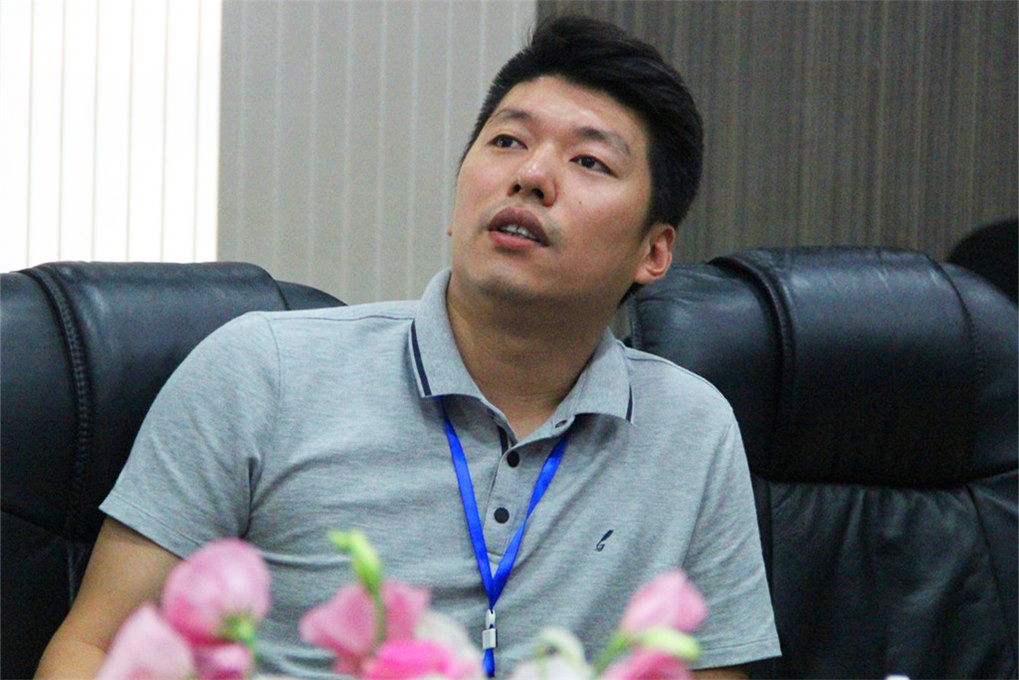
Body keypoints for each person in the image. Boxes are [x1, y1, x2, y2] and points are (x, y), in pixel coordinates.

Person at [37, 15, 780, 678]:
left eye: (589, 161)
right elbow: (94, 651)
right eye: (508, 141)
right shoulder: (261, 372)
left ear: (654, 251)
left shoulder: (691, 430)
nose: (529, 176)